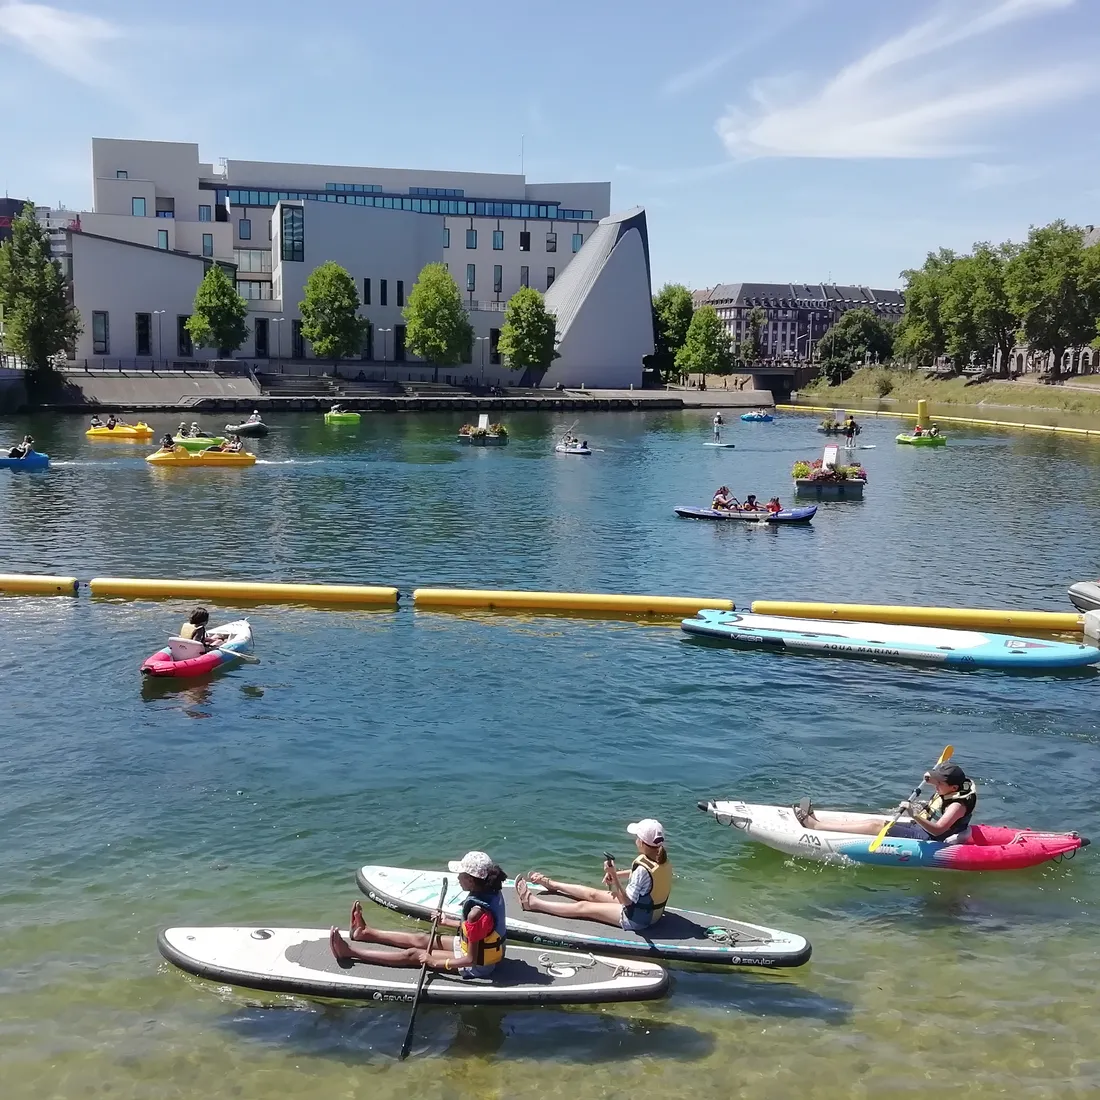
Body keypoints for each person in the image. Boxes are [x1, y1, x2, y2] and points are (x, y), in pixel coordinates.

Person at [329, 851, 507, 976]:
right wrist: (447, 921)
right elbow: (481, 930)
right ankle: (365, 933)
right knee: (422, 938)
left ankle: (350, 952)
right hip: (469, 946)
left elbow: (471, 959)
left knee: (413, 954)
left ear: (470, 879)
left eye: (460, 874)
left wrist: (434, 962)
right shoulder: (490, 891)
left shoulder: (476, 913)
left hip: (478, 966)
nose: (457, 878)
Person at [514, 819, 672, 932]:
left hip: (637, 919)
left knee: (584, 907)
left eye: (637, 837)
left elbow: (627, 902)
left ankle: (532, 903)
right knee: (592, 893)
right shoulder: (661, 858)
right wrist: (616, 873)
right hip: (649, 913)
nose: (635, 840)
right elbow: (645, 879)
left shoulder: (643, 869)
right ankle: (552, 884)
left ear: (643, 842)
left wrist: (614, 877)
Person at [795, 761, 978, 844]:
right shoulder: (956, 787)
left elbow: (938, 829)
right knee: (873, 822)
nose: (935, 786)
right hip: (922, 828)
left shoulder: (957, 805)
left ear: (953, 788)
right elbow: (943, 787)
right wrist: (933, 779)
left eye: (938, 783)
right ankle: (821, 823)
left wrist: (913, 814)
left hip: (930, 837)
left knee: (876, 825)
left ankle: (815, 826)